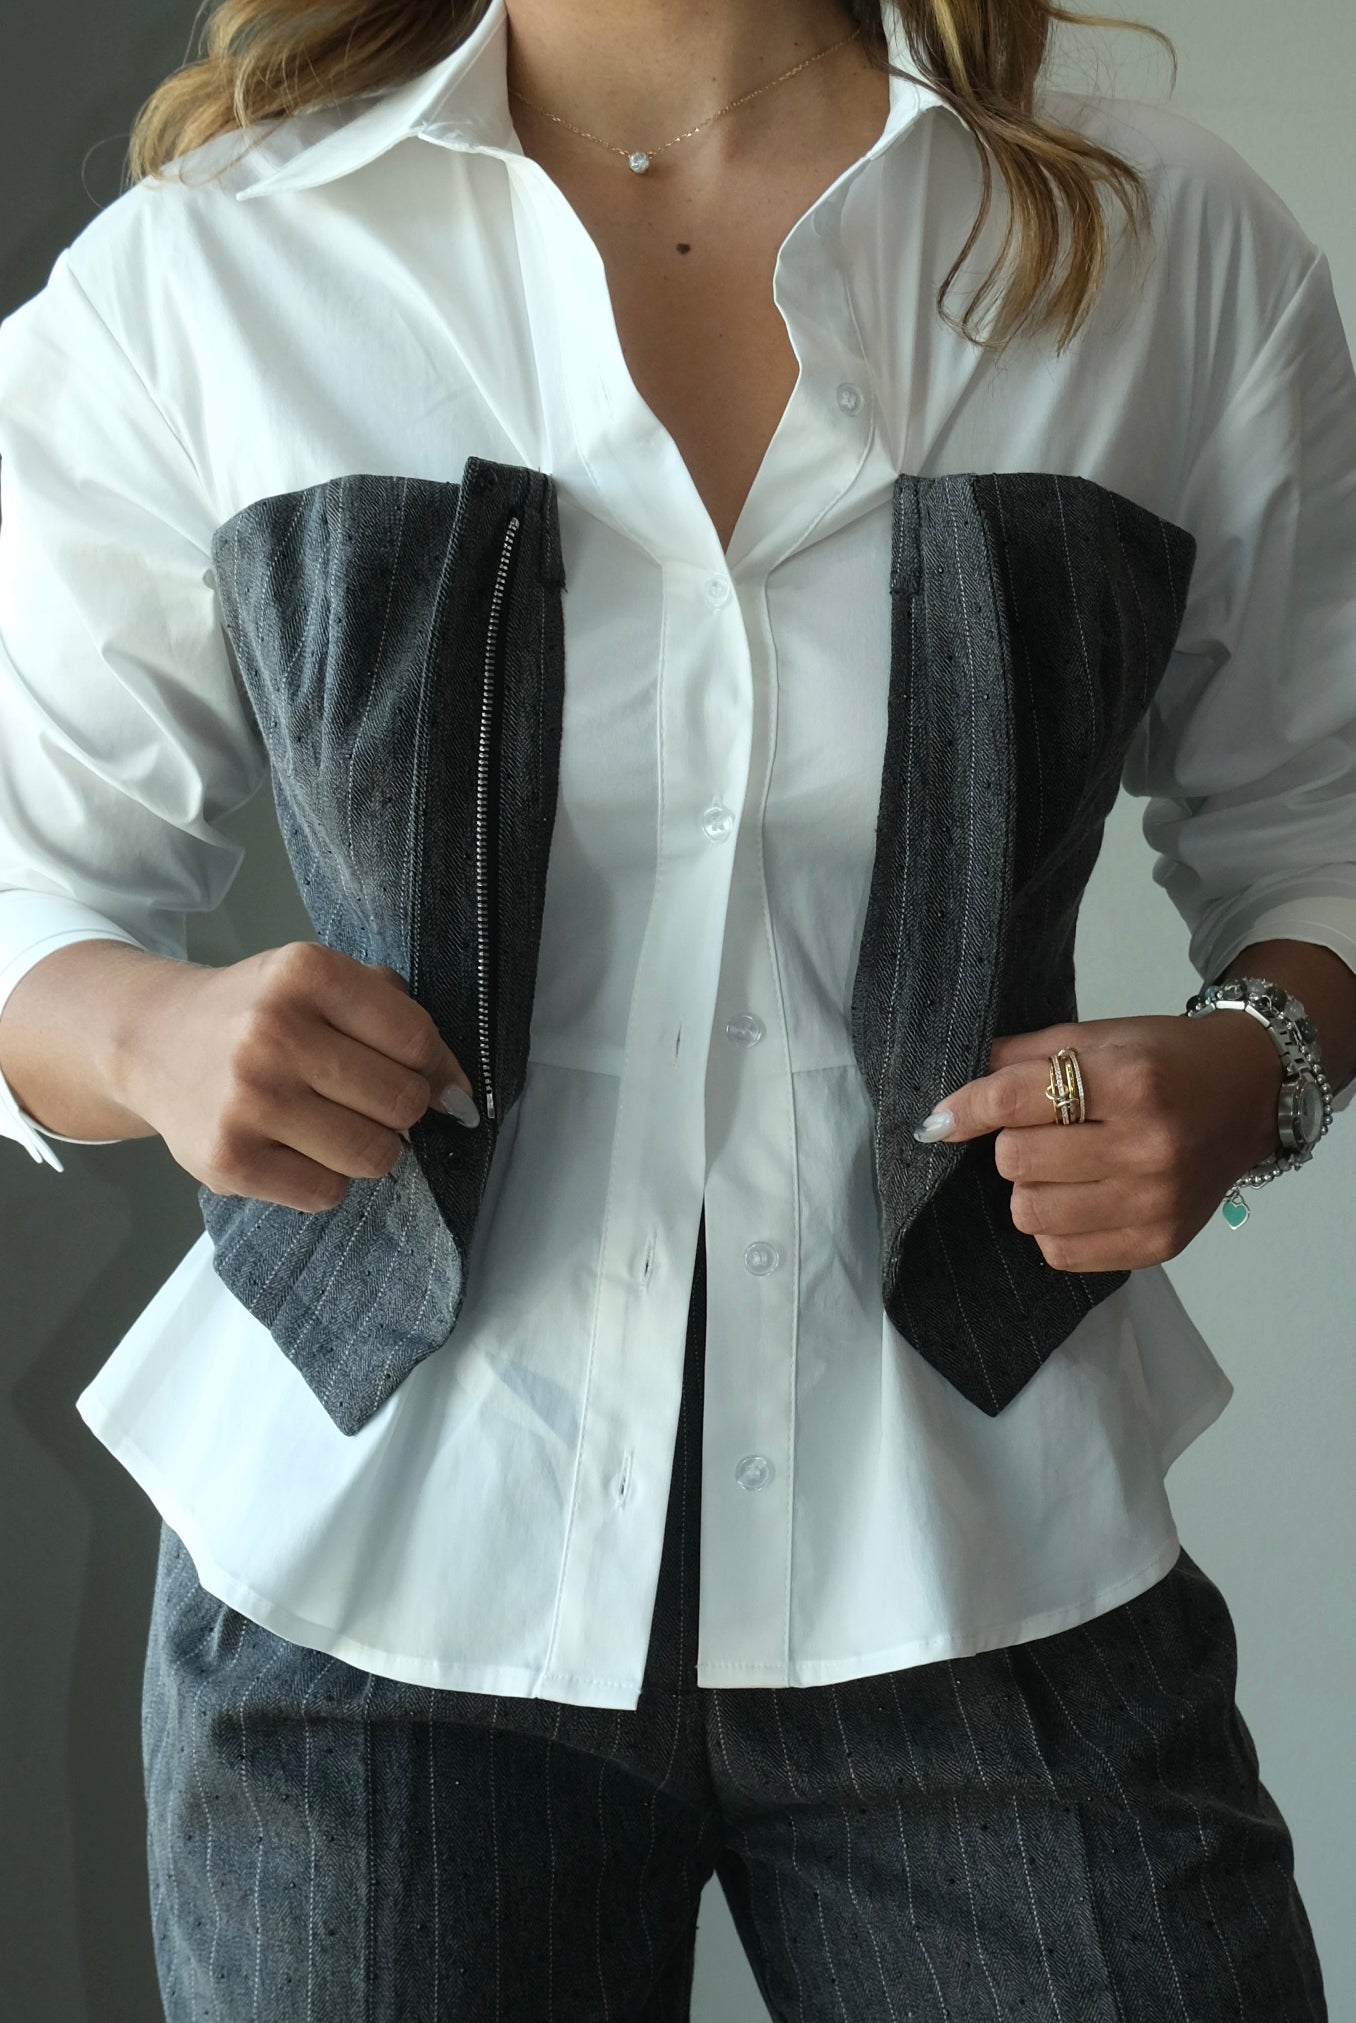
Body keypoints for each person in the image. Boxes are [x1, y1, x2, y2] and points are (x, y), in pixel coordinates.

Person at [1, 0, 1353, 2013]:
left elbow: (1322, 829)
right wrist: (153, 1039)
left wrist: (1263, 1075)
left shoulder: (1161, 244)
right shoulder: (217, 265)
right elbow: (29, 894)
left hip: (983, 1545)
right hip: (371, 1607)